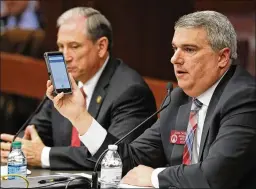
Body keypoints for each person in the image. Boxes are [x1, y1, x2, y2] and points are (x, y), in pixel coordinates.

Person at [45, 10, 256, 188]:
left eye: (189, 49)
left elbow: (214, 175)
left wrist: (154, 176)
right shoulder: (179, 99)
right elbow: (129, 159)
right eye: (175, 49)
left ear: (222, 57)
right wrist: (80, 116)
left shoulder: (244, 98)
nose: (175, 59)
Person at [0, 7, 157, 170]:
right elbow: (33, 133)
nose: (65, 56)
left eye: (74, 46)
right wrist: (21, 147)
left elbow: (116, 156)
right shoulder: (64, 85)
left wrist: (44, 155)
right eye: (61, 46)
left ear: (101, 46)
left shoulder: (130, 92)